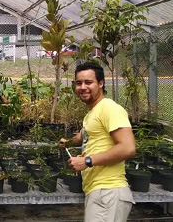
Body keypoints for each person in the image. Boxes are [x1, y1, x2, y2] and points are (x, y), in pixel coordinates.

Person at [58, 62, 136, 222]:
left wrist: (87, 161)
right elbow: (83, 137)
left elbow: (128, 148)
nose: (82, 87)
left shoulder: (110, 108)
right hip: (99, 191)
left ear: (101, 83)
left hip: (108, 191)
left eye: (88, 82)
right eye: (78, 83)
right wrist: (68, 143)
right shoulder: (92, 113)